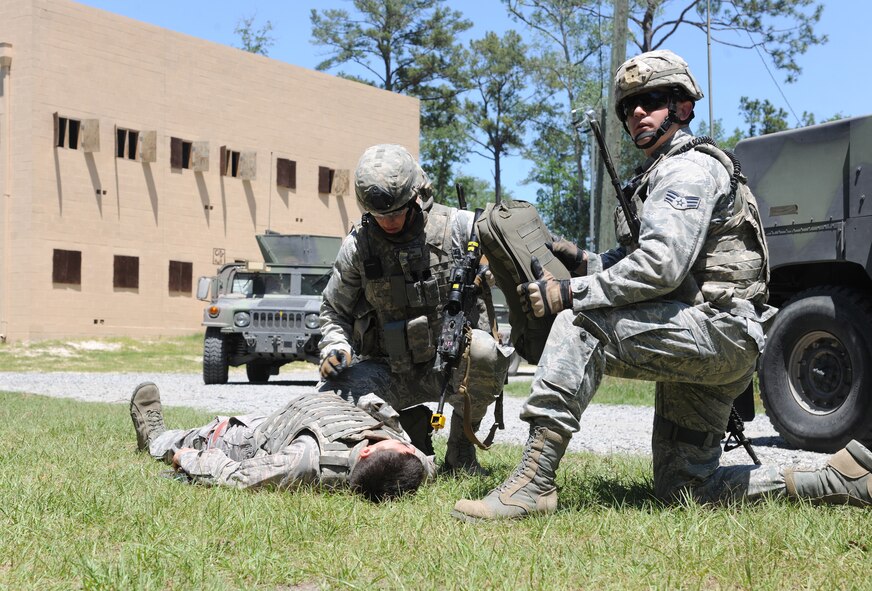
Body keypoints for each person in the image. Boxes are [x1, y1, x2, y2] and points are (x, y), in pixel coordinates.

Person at [452, 49, 872, 520]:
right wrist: (583, 259)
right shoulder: (660, 172)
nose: (636, 113)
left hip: (715, 332)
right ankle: (835, 479)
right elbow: (649, 263)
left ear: (683, 106)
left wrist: (570, 292)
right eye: (628, 105)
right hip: (710, 335)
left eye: (651, 100)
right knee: (686, 487)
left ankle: (533, 482)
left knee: (579, 324)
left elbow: (660, 268)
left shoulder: (687, 169)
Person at [318, 144, 511, 474]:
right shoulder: (358, 246)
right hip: (387, 369)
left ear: (415, 197)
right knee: (328, 396)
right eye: (380, 216)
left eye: (396, 211)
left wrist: (492, 271)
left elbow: (509, 263)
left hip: (448, 365)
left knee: (487, 354)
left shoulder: (460, 229)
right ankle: (406, 436)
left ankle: (460, 453)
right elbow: (334, 310)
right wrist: (336, 348)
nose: (389, 222)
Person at [129, 382, 435, 501]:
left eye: (399, 444)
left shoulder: (305, 461)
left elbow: (237, 475)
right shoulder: (411, 465)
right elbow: (423, 462)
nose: (407, 444)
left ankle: (154, 437)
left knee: (205, 436)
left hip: (249, 438)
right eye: (408, 447)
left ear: (367, 452)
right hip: (290, 420)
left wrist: (186, 459)